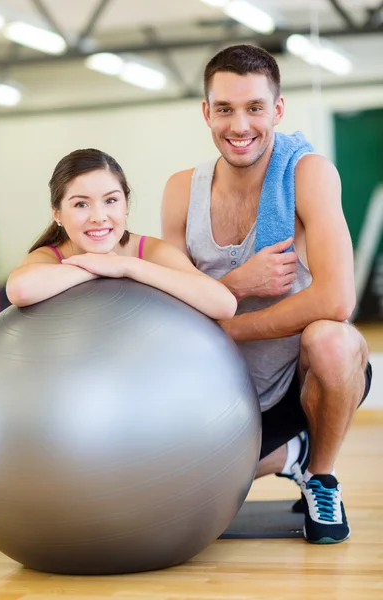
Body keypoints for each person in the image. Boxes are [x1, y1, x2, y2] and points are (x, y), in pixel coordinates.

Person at [161, 44, 372, 544]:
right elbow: (169, 304)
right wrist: (237, 284)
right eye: (226, 109)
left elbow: (338, 300)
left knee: (332, 339)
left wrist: (227, 325)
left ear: (277, 110)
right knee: (169, 493)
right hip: (218, 392)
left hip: (294, 382)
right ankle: (291, 455)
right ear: (206, 112)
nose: (240, 125)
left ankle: (320, 474)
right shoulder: (179, 191)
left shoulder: (308, 174)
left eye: (255, 108)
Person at [6, 148, 237, 324]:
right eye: (81, 204)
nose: (98, 216)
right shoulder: (50, 256)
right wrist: (95, 266)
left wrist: (127, 267)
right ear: (57, 213)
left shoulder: (150, 251)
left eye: (111, 200)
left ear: (126, 204)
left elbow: (223, 305)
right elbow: (20, 290)